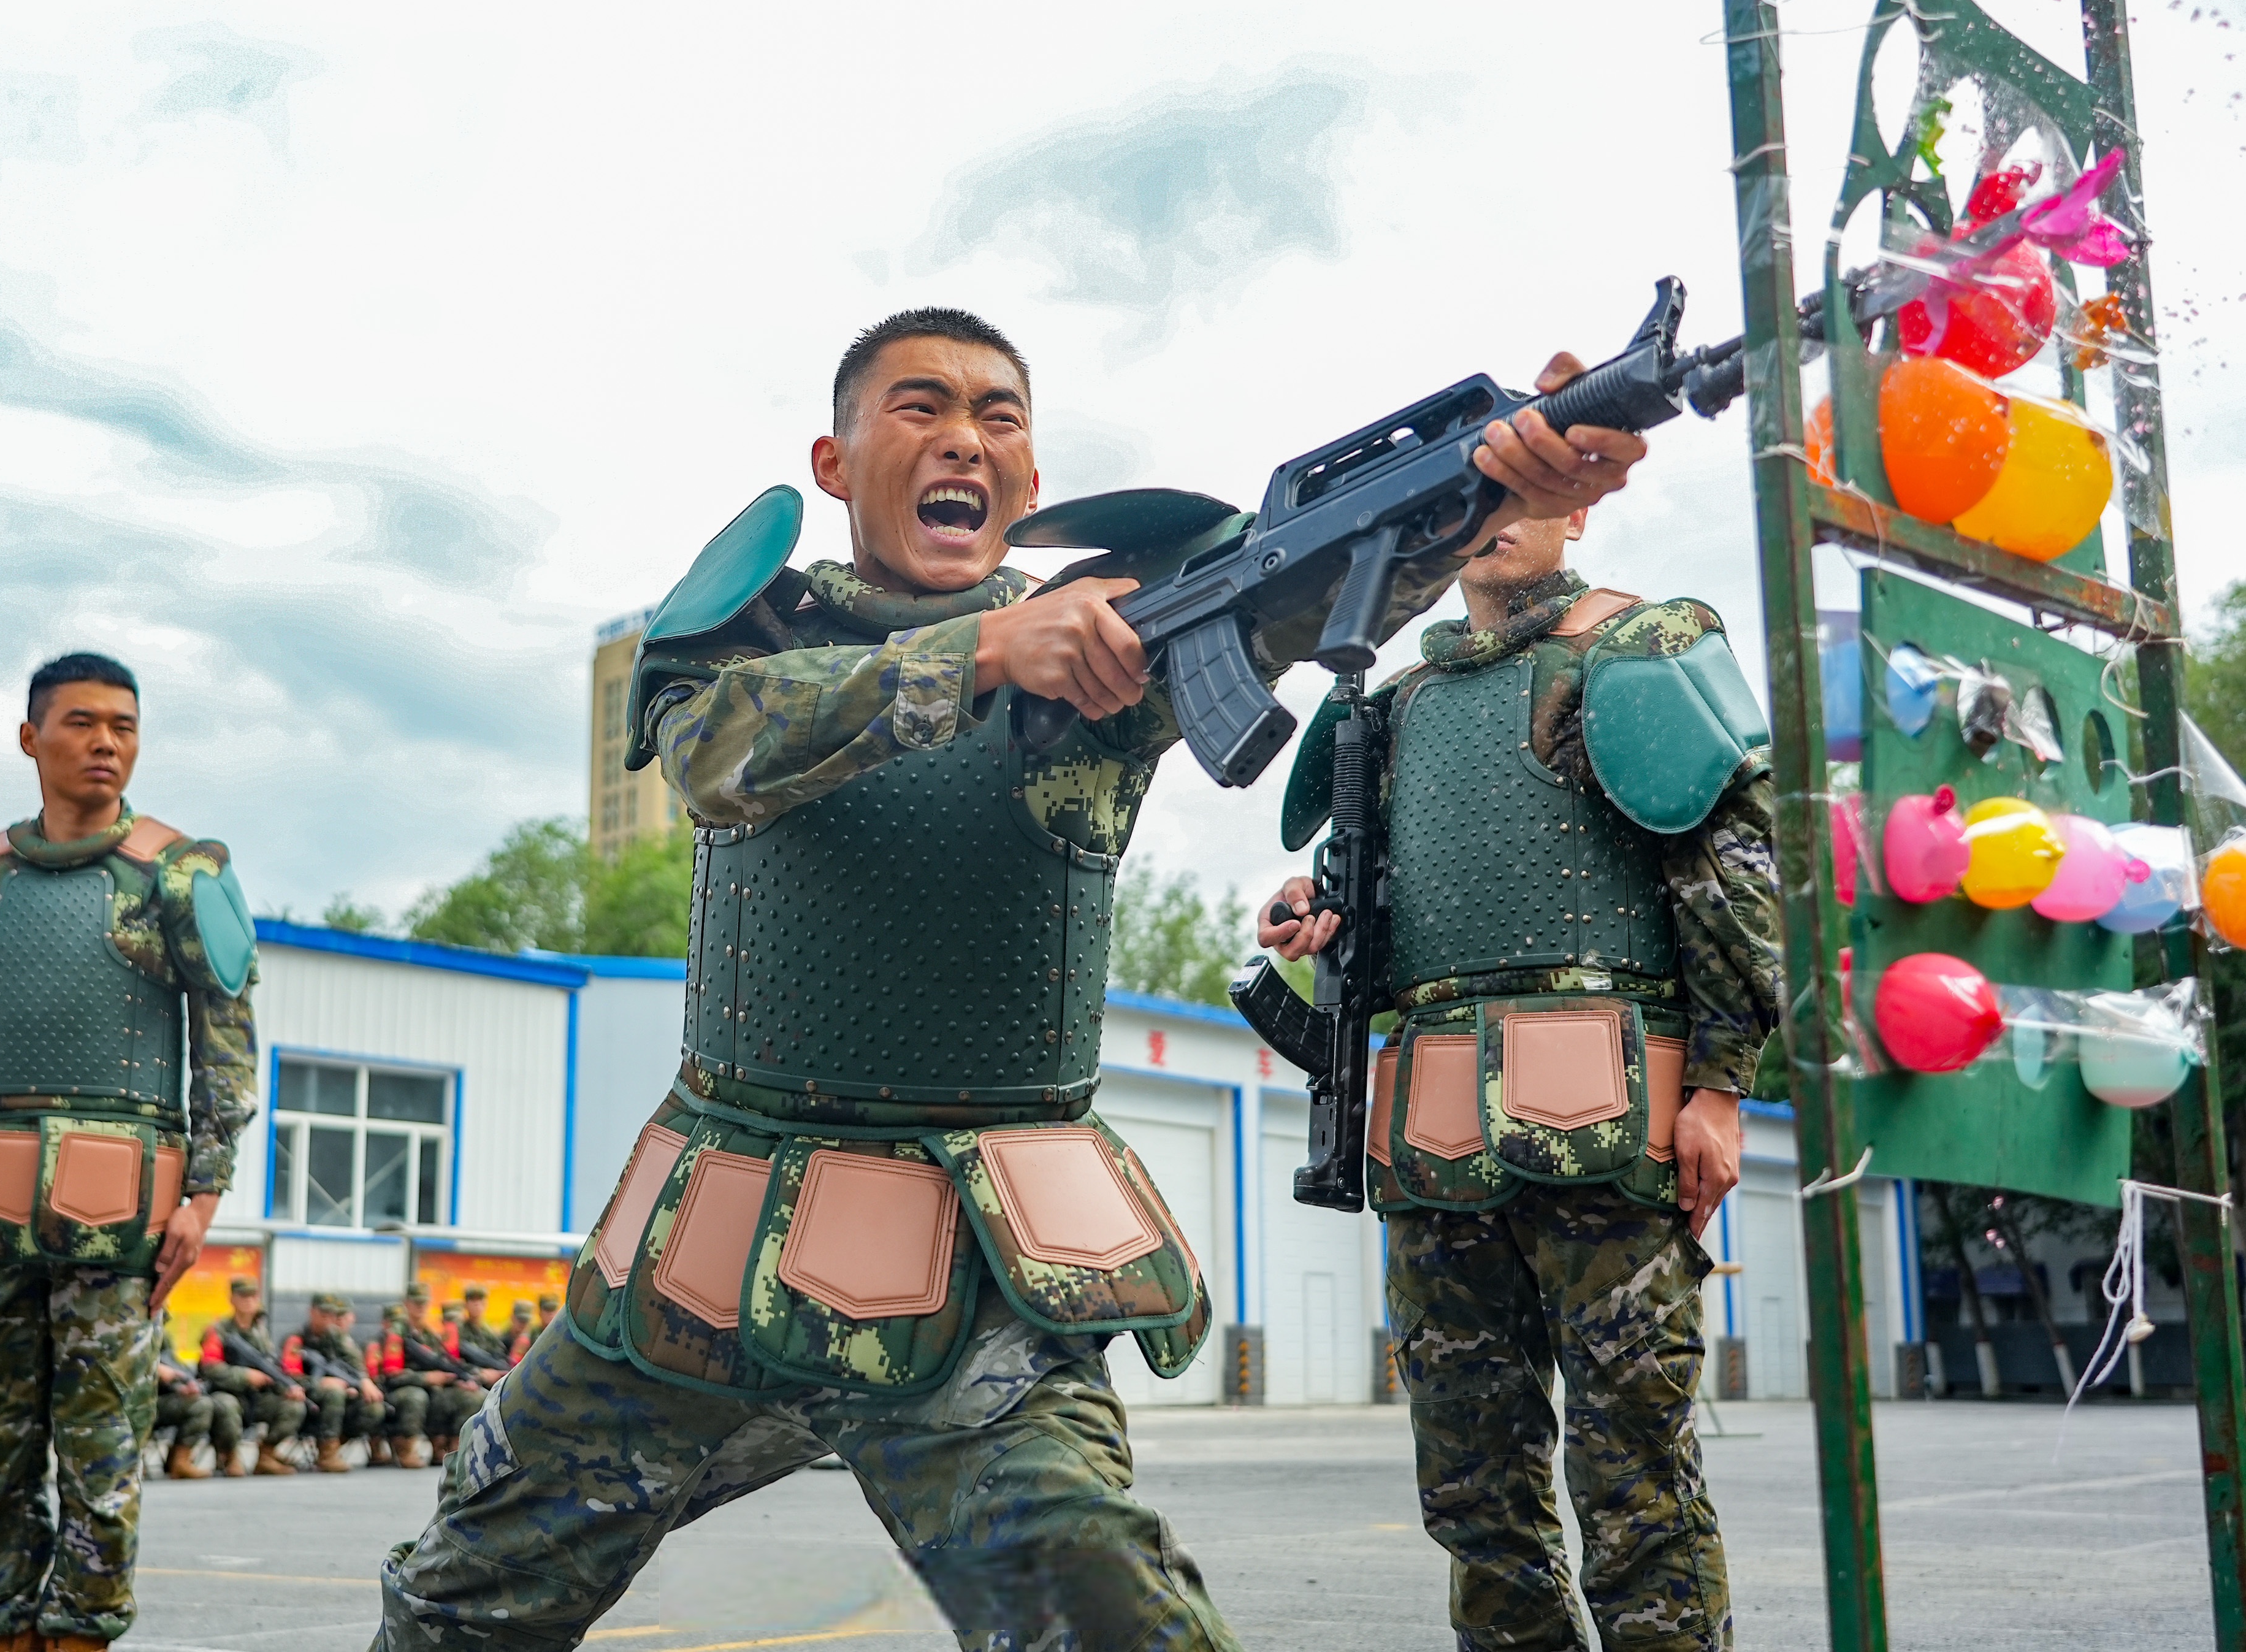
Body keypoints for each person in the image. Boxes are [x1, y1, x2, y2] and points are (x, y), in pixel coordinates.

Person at [373, 305, 1642, 1648]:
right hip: (703, 1260)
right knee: (462, 1601)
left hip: (975, 1273)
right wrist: (981, 653)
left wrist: (1490, 488)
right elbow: (716, 757)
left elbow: (1290, 593)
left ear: (1029, 485)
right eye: (919, 406)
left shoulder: (1116, 647)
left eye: (998, 416)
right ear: (834, 456)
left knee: (1115, 1618)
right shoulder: (743, 640)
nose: (963, 437)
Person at [1256, 505, 1779, 1652]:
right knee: (1468, 1489)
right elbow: (1395, 901)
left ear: (1578, 503)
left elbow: (1731, 871)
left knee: (1633, 1476)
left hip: (1611, 1121)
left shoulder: (1641, 648)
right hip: (1436, 1143)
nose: (1492, 527)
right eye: (1467, 507)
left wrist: (1722, 1085)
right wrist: (1319, 915)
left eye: (1522, 497)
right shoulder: (1391, 707)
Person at [0, 650, 261, 1650]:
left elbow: (226, 1050)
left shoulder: (183, 874)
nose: (105, 743)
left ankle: (84, 1632)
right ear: (30, 738)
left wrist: (204, 1197)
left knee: (102, 1462)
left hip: (120, 1223)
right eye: (82, 723)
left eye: (124, 726)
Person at [199, 1277, 304, 1477]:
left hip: (256, 1398)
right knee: (227, 1405)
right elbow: (210, 1368)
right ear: (232, 1299)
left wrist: (288, 1388)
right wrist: (245, 1375)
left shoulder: (261, 1335)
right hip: (227, 1393)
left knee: (293, 1407)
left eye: (253, 1296)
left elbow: (273, 1369)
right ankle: (229, 1456)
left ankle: (267, 1455)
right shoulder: (218, 1331)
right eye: (243, 1296)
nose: (248, 1301)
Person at [376, 1291, 481, 1469]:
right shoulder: (395, 1334)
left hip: (431, 1387)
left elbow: (446, 1361)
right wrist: (426, 1378)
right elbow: (390, 1376)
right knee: (416, 1396)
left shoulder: (429, 1334)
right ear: (406, 1304)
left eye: (424, 1303)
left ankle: (451, 1449)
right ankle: (406, 1449)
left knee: (472, 1396)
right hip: (399, 1389)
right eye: (416, 1303)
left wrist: (464, 1377)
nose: (421, 1307)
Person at [285, 1293, 388, 1472]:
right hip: (306, 1396)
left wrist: (361, 1382)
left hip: (339, 1396)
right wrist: (319, 1382)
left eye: (332, 1315)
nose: (328, 1319)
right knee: (334, 1392)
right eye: (323, 1313)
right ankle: (327, 1454)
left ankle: (335, 1444)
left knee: (374, 1408)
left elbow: (355, 1363)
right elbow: (289, 1376)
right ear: (311, 1312)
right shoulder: (297, 1339)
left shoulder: (338, 1337)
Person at [152, 1349, 229, 1482]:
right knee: (201, 1406)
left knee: (210, 1404)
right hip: (135, 1403)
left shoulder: (160, 1337)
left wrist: (180, 1387)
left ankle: (179, 1461)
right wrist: (155, 1369)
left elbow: (169, 1366)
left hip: (157, 1399)